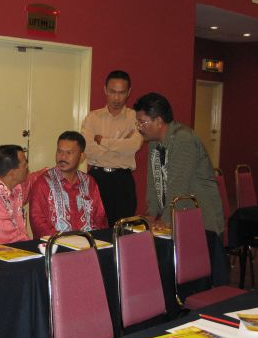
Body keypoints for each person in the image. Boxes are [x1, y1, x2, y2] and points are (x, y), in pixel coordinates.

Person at [133, 92, 223, 234]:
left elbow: (178, 186)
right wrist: (151, 214)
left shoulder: (183, 139)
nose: (139, 127)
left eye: (142, 122)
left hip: (202, 220)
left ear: (158, 121)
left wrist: (166, 219)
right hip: (178, 218)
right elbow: (153, 182)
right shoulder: (153, 143)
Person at [81, 70, 143, 227]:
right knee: (94, 226)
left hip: (123, 180)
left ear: (129, 92)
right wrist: (121, 144)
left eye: (121, 93)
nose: (116, 98)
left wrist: (103, 141)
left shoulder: (135, 117)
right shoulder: (92, 118)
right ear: (105, 90)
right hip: (96, 177)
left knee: (123, 229)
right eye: (112, 92)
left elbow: (134, 145)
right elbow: (88, 149)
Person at [29, 131, 108, 239]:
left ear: (81, 157)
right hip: (56, 245)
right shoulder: (43, 183)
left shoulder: (89, 182)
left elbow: (100, 218)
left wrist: (95, 241)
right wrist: (64, 242)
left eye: (69, 153)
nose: (62, 157)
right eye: (59, 151)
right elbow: (38, 222)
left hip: (88, 243)